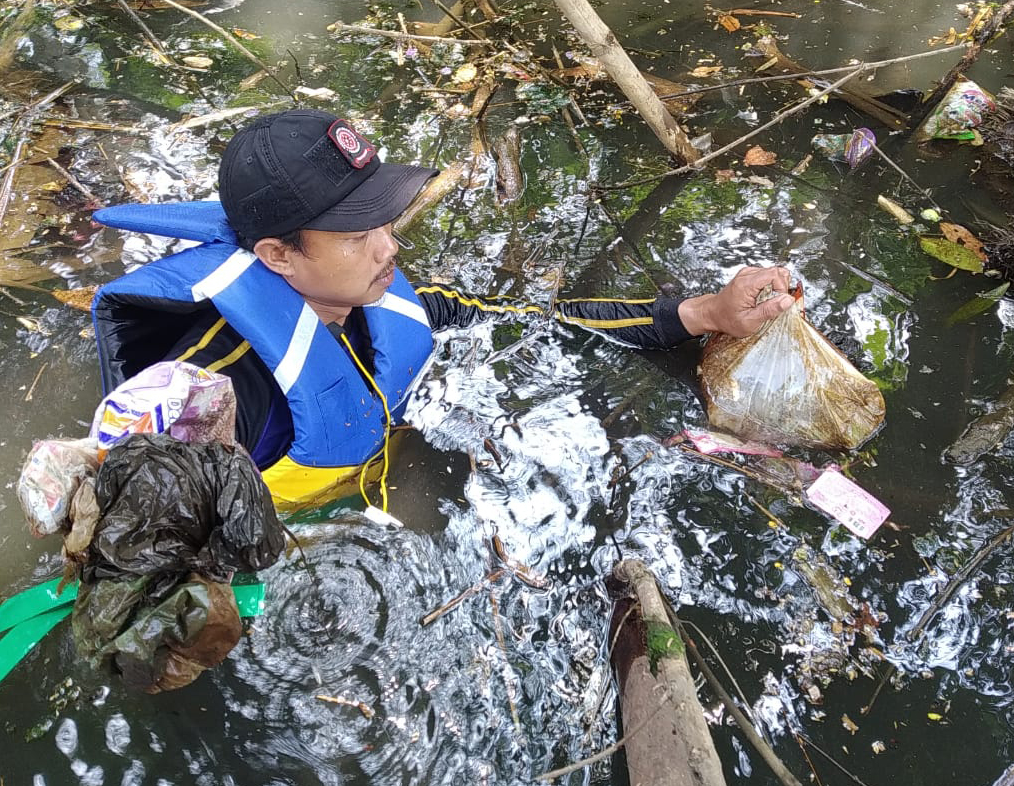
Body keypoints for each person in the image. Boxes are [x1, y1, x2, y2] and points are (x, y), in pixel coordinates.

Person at [92, 109, 795, 510]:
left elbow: (535, 321)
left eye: (384, 220)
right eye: (357, 234)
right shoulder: (223, 388)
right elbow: (148, 499)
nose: (389, 248)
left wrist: (704, 315)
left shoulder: (382, 298)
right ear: (277, 256)